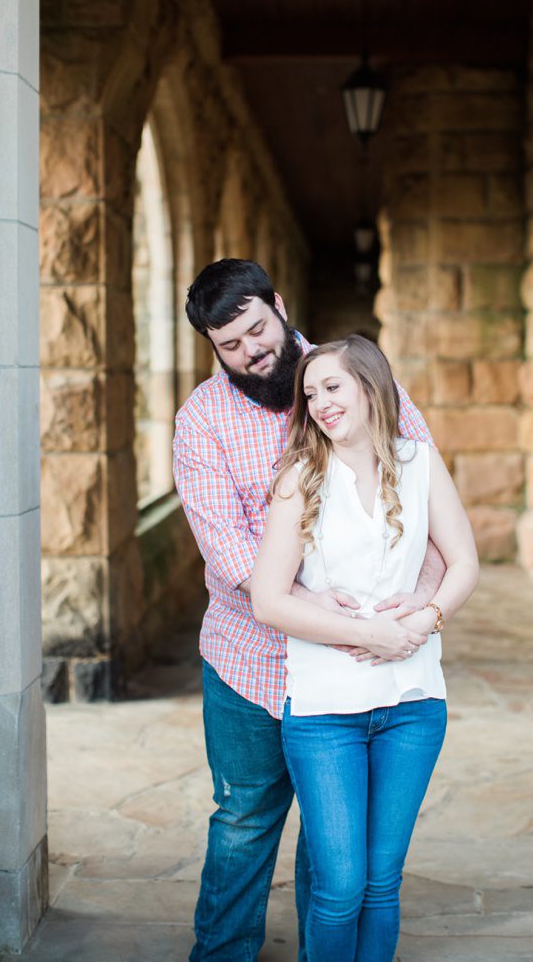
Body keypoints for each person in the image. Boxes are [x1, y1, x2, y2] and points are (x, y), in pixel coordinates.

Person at [174, 259, 441, 961]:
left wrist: (424, 601)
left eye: (257, 329)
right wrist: (294, 597)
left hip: (348, 670)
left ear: (279, 305)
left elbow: (426, 490)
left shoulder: (351, 379)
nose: (251, 351)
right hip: (248, 662)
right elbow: (224, 543)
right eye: (230, 344)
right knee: (243, 819)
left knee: (337, 851)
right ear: (212, 346)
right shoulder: (203, 418)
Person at [250, 335, 479, 961]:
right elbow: (268, 600)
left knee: (381, 884)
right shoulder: (300, 477)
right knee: (340, 886)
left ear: (371, 387)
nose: (320, 402)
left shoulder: (420, 462)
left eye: (333, 387)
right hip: (325, 712)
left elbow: (464, 562)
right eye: (310, 393)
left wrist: (429, 617)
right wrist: (368, 633)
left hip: (413, 703)